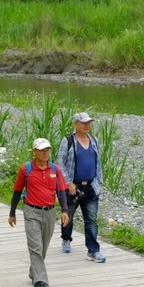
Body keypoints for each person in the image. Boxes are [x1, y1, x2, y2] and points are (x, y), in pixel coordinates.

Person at [8, 138, 70, 287]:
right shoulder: (26, 169)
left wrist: (64, 210)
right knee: (35, 247)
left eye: (47, 150)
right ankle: (40, 282)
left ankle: (33, 272)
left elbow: (61, 191)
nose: (45, 153)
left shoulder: (55, 169)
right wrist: (12, 213)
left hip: (49, 212)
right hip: (31, 212)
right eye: (42, 150)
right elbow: (17, 190)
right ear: (34, 152)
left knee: (43, 247)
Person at [57, 112, 106, 263]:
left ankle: (93, 251)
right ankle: (66, 239)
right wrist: (68, 183)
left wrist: (99, 182)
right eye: (84, 123)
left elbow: (98, 163)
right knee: (68, 216)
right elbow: (60, 163)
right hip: (73, 187)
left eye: (89, 123)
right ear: (75, 124)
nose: (87, 125)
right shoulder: (68, 141)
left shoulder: (94, 140)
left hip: (91, 186)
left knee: (91, 220)